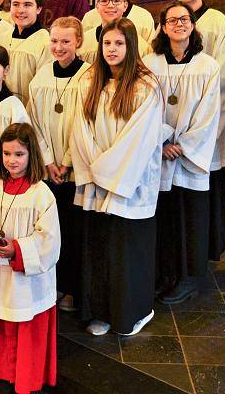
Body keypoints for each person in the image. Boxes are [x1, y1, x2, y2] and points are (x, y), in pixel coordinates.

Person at [70, 17, 163, 337]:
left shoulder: (145, 87)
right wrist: (95, 168)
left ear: (131, 46)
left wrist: (106, 170)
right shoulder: (89, 81)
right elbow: (79, 130)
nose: (111, 49)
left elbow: (139, 139)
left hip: (129, 182)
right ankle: (102, 311)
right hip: (97, 180)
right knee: (101, 249)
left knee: (126, 251)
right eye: (107, 43)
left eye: (118, 43)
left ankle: (134, 311)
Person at [0, 122, 59, 394]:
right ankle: (4, 374)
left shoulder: (41, 194)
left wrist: (17, 249)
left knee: (26, 325)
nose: (12, 160)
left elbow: (49, 241)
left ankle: (27, 379)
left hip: (27, 279)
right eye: (7, 154)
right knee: (1, 324)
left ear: (31, 154)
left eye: (19, 154)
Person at [142, 2, 220, 305]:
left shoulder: (207, 67)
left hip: (188, 159)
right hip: (159, 154)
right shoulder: (150, 65)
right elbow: (143, 110)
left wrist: (183, 146)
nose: (178, 24)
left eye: (184, 19)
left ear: (193, 25)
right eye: (171, 19)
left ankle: (187, 278)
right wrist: (160, 143)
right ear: (162, 26)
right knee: (165, 218)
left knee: (188, 218)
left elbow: (208, 115)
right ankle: (165, 275)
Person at [170, 0, 225, 263]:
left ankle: (201, 258)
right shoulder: (170, 20)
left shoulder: (216, 22)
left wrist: (203, 133)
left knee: (202, 197)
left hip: (205, 129)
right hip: (172, 132)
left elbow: (223, 80)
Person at [27, 17, 91, 313]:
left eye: (66, 41)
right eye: (54, 41)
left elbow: (86, 123)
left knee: (75, 233)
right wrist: (49, 160)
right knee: (52, 230)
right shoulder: (40, 78)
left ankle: (73, 289)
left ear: (78, 42)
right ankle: (53, 283)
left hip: (76, 168)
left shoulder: (89, 77)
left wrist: (66, 161)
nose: (59, 47)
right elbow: (35, 124)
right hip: (49, 169)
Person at [0, 0, 52, 103]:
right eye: (16, 4)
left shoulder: (45, 42)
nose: (20, 10)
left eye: (27, 5)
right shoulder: (3, 39)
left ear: (38, 9)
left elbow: (42, 88)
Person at [80, 0, 148, 62]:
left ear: (125, 6)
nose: (110, 5)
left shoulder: (140, 46)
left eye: (116, 1)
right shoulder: (83, 43)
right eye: (104, 1)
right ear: (97, 6)